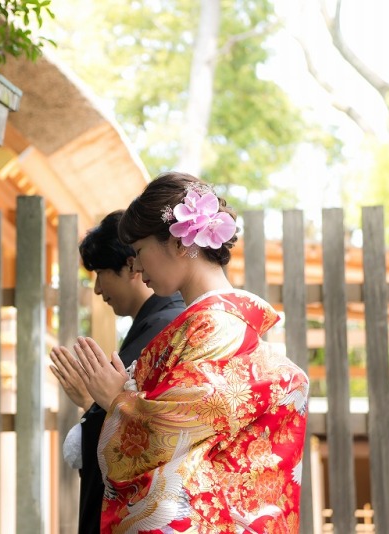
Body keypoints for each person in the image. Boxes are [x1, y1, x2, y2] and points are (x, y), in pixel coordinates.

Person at [65, 172, 309, 533]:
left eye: (139, 251)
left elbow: (166, 436)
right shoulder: (206, 325)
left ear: (180, 244)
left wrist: (117, 399)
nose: (135, 266)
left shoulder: (216, 329)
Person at [49, 211, 185, 534]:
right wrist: (92, 404)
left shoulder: (164, 327)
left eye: (100, 273)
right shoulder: (153, 323)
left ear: (130, 266)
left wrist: (100, 407)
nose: (96, 289)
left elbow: (154, 429)